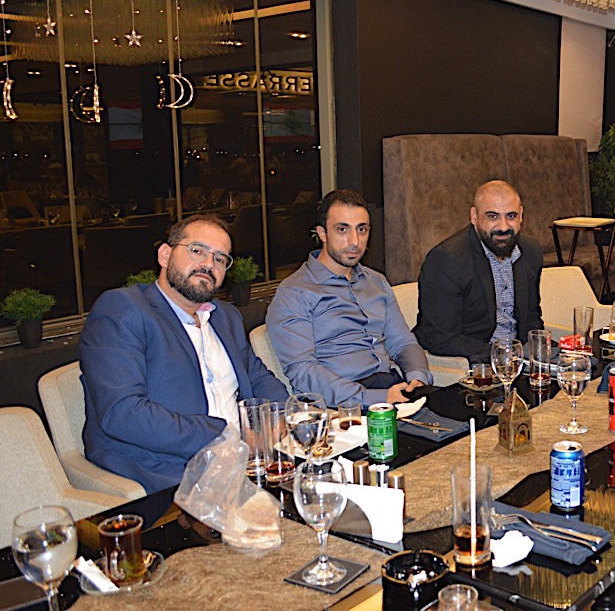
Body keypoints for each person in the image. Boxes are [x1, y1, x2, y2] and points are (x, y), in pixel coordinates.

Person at [80, 214, 289, 493]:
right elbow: (123, 413)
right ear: (165, 255)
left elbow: (258, 377)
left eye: (219, 258)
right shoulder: (123, 310)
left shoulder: (225, 316)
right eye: (197, 250)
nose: (208, 264)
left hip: (248, 465)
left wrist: (279, 415)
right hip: (169, 474)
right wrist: (227, 435)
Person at [267, 189, 430, 406]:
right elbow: (303, 372)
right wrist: (374, 398)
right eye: (342, 229)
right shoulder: (295, 293)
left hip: (392, 387)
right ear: (322, 234)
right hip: (344, 405)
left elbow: (402, 342)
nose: (355, 241)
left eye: (362, 229)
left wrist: (417, 377)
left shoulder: (377, 282)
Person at [415, 180, 544, 363]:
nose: (503, 227)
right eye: (492, 216)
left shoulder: (530, 251)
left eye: (511, 216)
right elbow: (440, 338)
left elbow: (531, 319)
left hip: (518, 362)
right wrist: (504, 355)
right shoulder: (446, 260)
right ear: (474, 216)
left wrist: (542, 354)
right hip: (472, 364)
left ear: (521, 215)